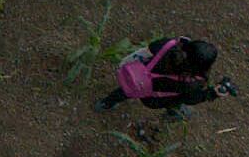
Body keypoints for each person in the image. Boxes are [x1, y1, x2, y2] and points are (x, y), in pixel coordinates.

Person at [98, 36, 235, 118]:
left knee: (125, 91)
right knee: (176, 101)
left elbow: (146, 51)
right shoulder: (192, 83)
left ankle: (105, 103)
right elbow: (190, 99)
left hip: (138, 79)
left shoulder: (167, 45)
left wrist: (126, 63)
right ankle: (174, 113)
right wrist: (211, 94)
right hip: (153, 100)